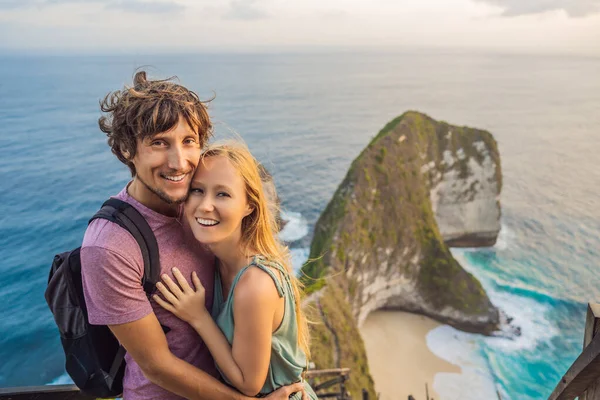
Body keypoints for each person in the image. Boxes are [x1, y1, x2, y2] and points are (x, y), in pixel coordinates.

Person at [80, 71, 305, 400]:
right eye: (159, 143)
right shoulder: (110, 246)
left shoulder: (198, 204)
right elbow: (156, 365)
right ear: (129, 149)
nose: (178, 162)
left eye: (189, 142)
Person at [153, 141, 318, 400]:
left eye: (223, 194)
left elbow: (248, 384)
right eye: (197, 190)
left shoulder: (255, 284)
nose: (206, 205)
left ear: (249, 205)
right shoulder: (217, 261)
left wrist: (198, 317)